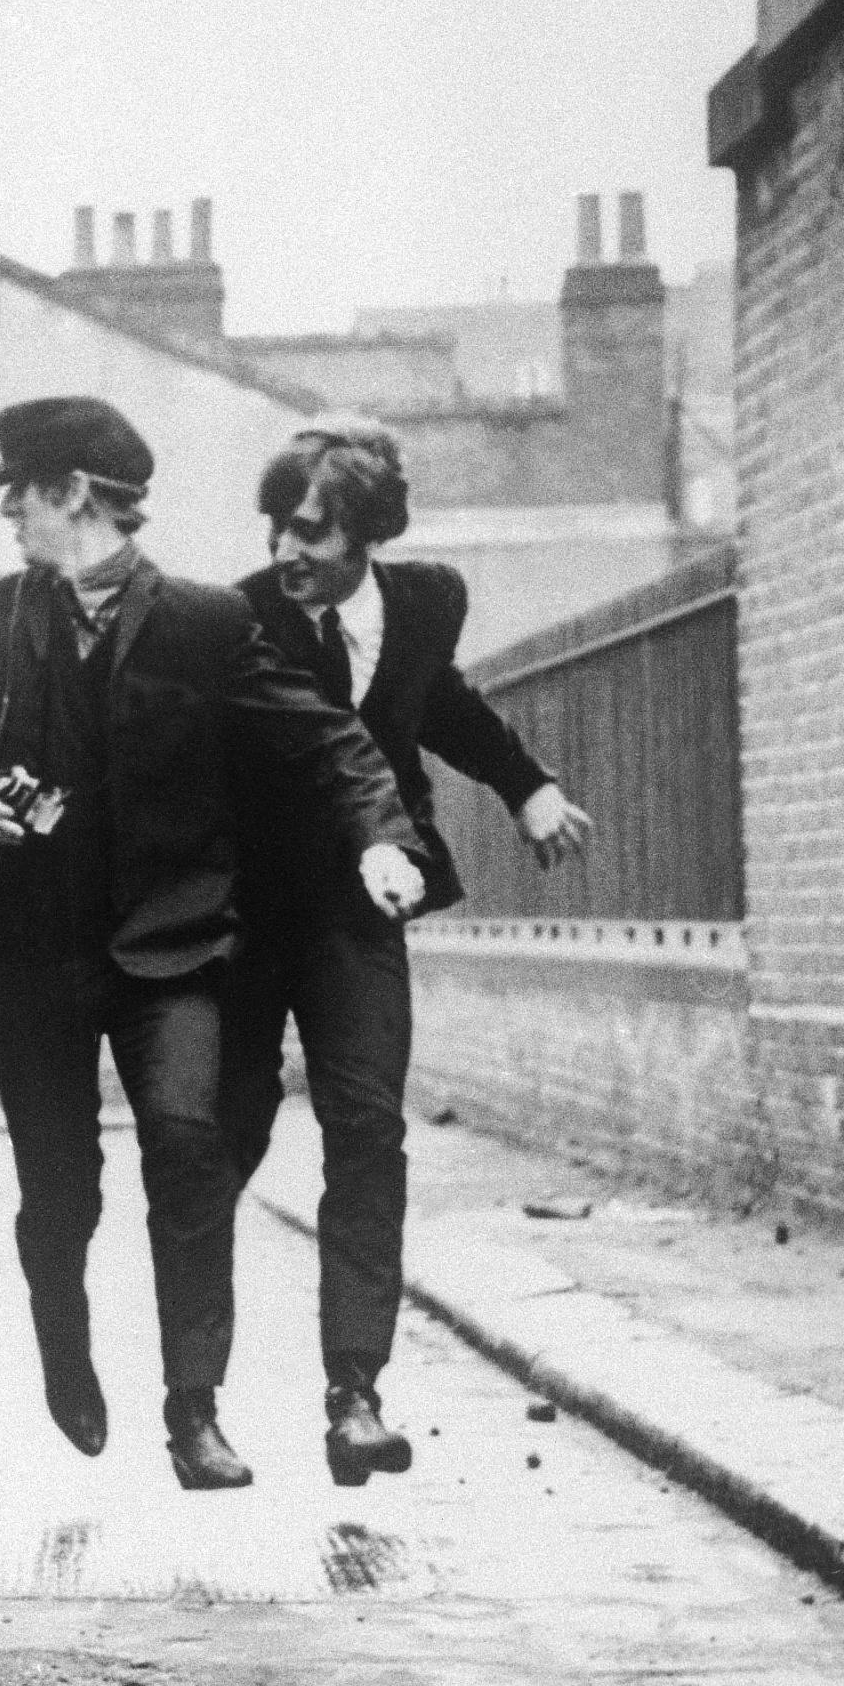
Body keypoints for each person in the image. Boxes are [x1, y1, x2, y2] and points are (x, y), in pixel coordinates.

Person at [0, 397, 424, 1491]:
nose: (10, 518)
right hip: (32, 950)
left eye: (22, 495)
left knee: (189, 1149)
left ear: (73, 494)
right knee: (60, 1184)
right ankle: (65, 1336)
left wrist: (383, 839)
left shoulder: (205, 619)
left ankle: (194, 1409)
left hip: (169, 950)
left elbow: (330, 740)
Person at [223, 418, 587, 1485]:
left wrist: (527, 785)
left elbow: (442, 704)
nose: (286, 551)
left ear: (369, 533)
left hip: (360, 916)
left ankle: (356, 1394)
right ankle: (193, 1383)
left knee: (369, 1132)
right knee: (221, 1139)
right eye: (277, 527)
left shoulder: (426, 603)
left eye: (309, 531)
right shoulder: (241, 619)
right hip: (252, 915)